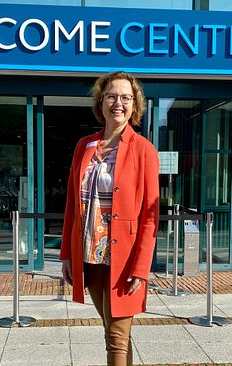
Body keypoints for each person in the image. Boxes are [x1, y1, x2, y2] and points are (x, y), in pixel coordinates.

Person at [60, 71, 159, 366]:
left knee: (116, 336)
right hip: (91, 256)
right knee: (113, 330)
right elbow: (70, 205)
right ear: (101, 102)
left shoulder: (144, 150)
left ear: (135, 104)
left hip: (123, 259)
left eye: (126, 97)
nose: (118, 103)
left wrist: (141, 268)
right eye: (112, 96)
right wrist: (67, 254)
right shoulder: (84, 146)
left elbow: (150, 217)